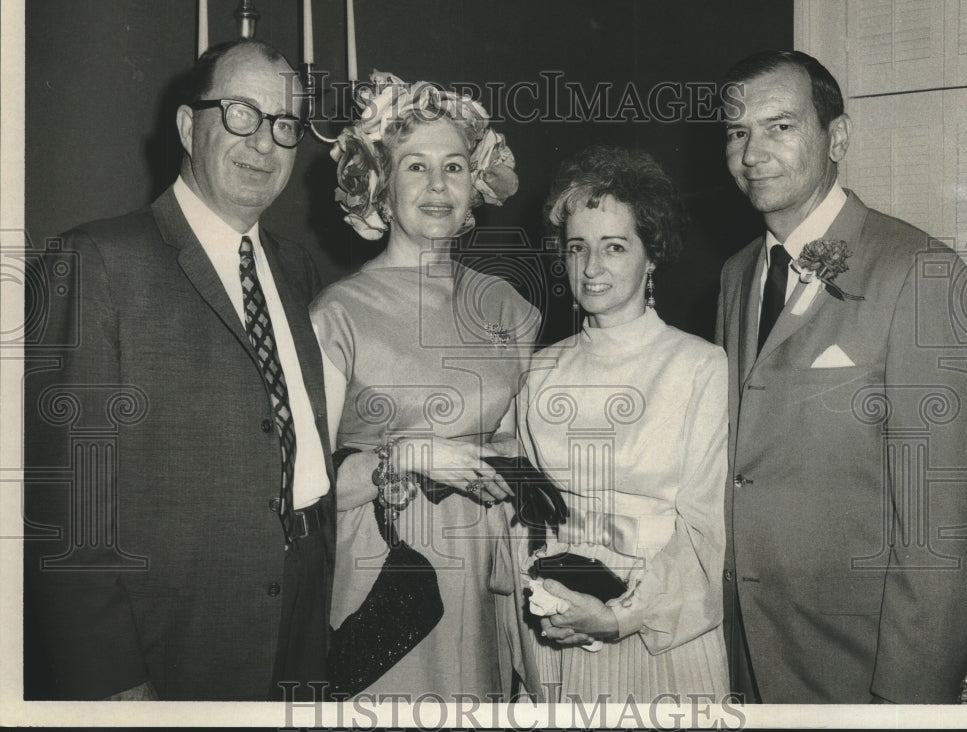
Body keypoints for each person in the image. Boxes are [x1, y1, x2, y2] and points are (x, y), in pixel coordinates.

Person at [23, 39, 336, 700]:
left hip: (303, 611)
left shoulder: (299, 269)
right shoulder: (99, 260)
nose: (265, 143)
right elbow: (66, 501)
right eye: (242, 114)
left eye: (284, 125)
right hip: (179, 639)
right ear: (190, 126)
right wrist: (106, 678)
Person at [716, 49, 967, 703]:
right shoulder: (737, 273)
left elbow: (935, 526)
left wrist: (911, 703)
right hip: (747, 659)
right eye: (737, 132)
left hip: (858, 673)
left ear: (839, 138)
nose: (753, 153)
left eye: (780, 127)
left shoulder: (917, 270)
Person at [310, 73, 540, 699]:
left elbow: (528, 454)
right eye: (416, 167)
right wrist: (406, 454)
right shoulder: (338, 313)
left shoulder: (508, 306)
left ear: (477, 186)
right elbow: (304, 494)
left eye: (456, 167)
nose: (438, 187)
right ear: (380, 184)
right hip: (388, 582)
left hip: (487, 577)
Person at [513, 145, 729, 703]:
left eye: (614, 247)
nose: (592, 268)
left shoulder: (701, 367)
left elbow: (709, 533)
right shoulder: (540, 368)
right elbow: (523, 513)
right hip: (558, 634)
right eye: (577, 248)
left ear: (651, 254)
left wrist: (618, 617)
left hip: (664, 634)